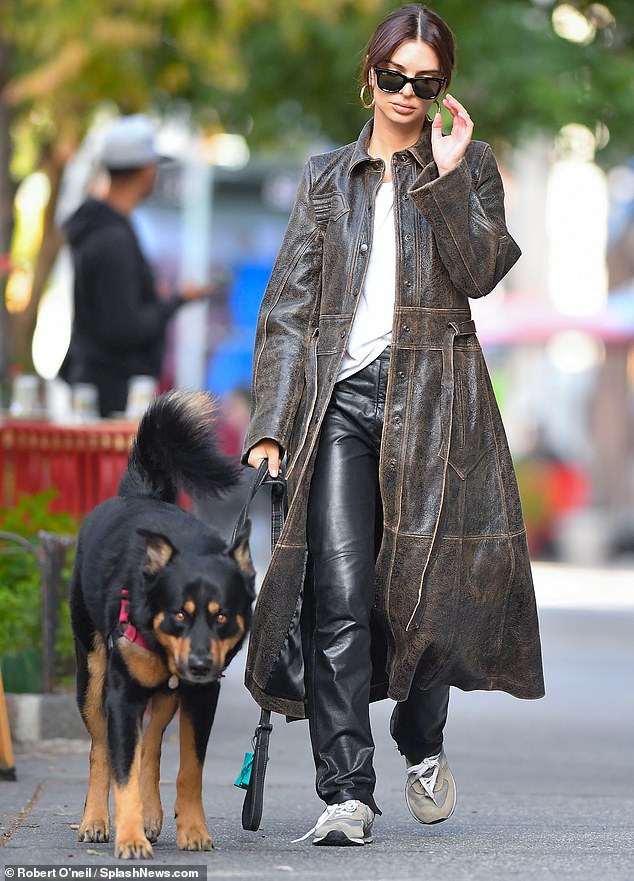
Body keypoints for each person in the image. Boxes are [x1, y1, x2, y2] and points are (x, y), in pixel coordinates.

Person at [243, 3, 544, 847]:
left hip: (437, 404)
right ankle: (345, 791)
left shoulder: (468, 166)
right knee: (336, 593)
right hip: (340, 404)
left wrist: (446, 177)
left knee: (421, 590)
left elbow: (482, 273)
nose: (407, 94)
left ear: (443, 88)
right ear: (369, 72)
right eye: (395, 76)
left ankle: (422, 740)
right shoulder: (323, 179)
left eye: (427, 81)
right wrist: (271, 421)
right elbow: (289, 311)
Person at [60, 114, 211, 417]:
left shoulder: (100, 230)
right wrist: (175, 300)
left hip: (96, 391)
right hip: (113, 401)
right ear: (145, 170)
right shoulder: (114, 239)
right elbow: (124, 327)